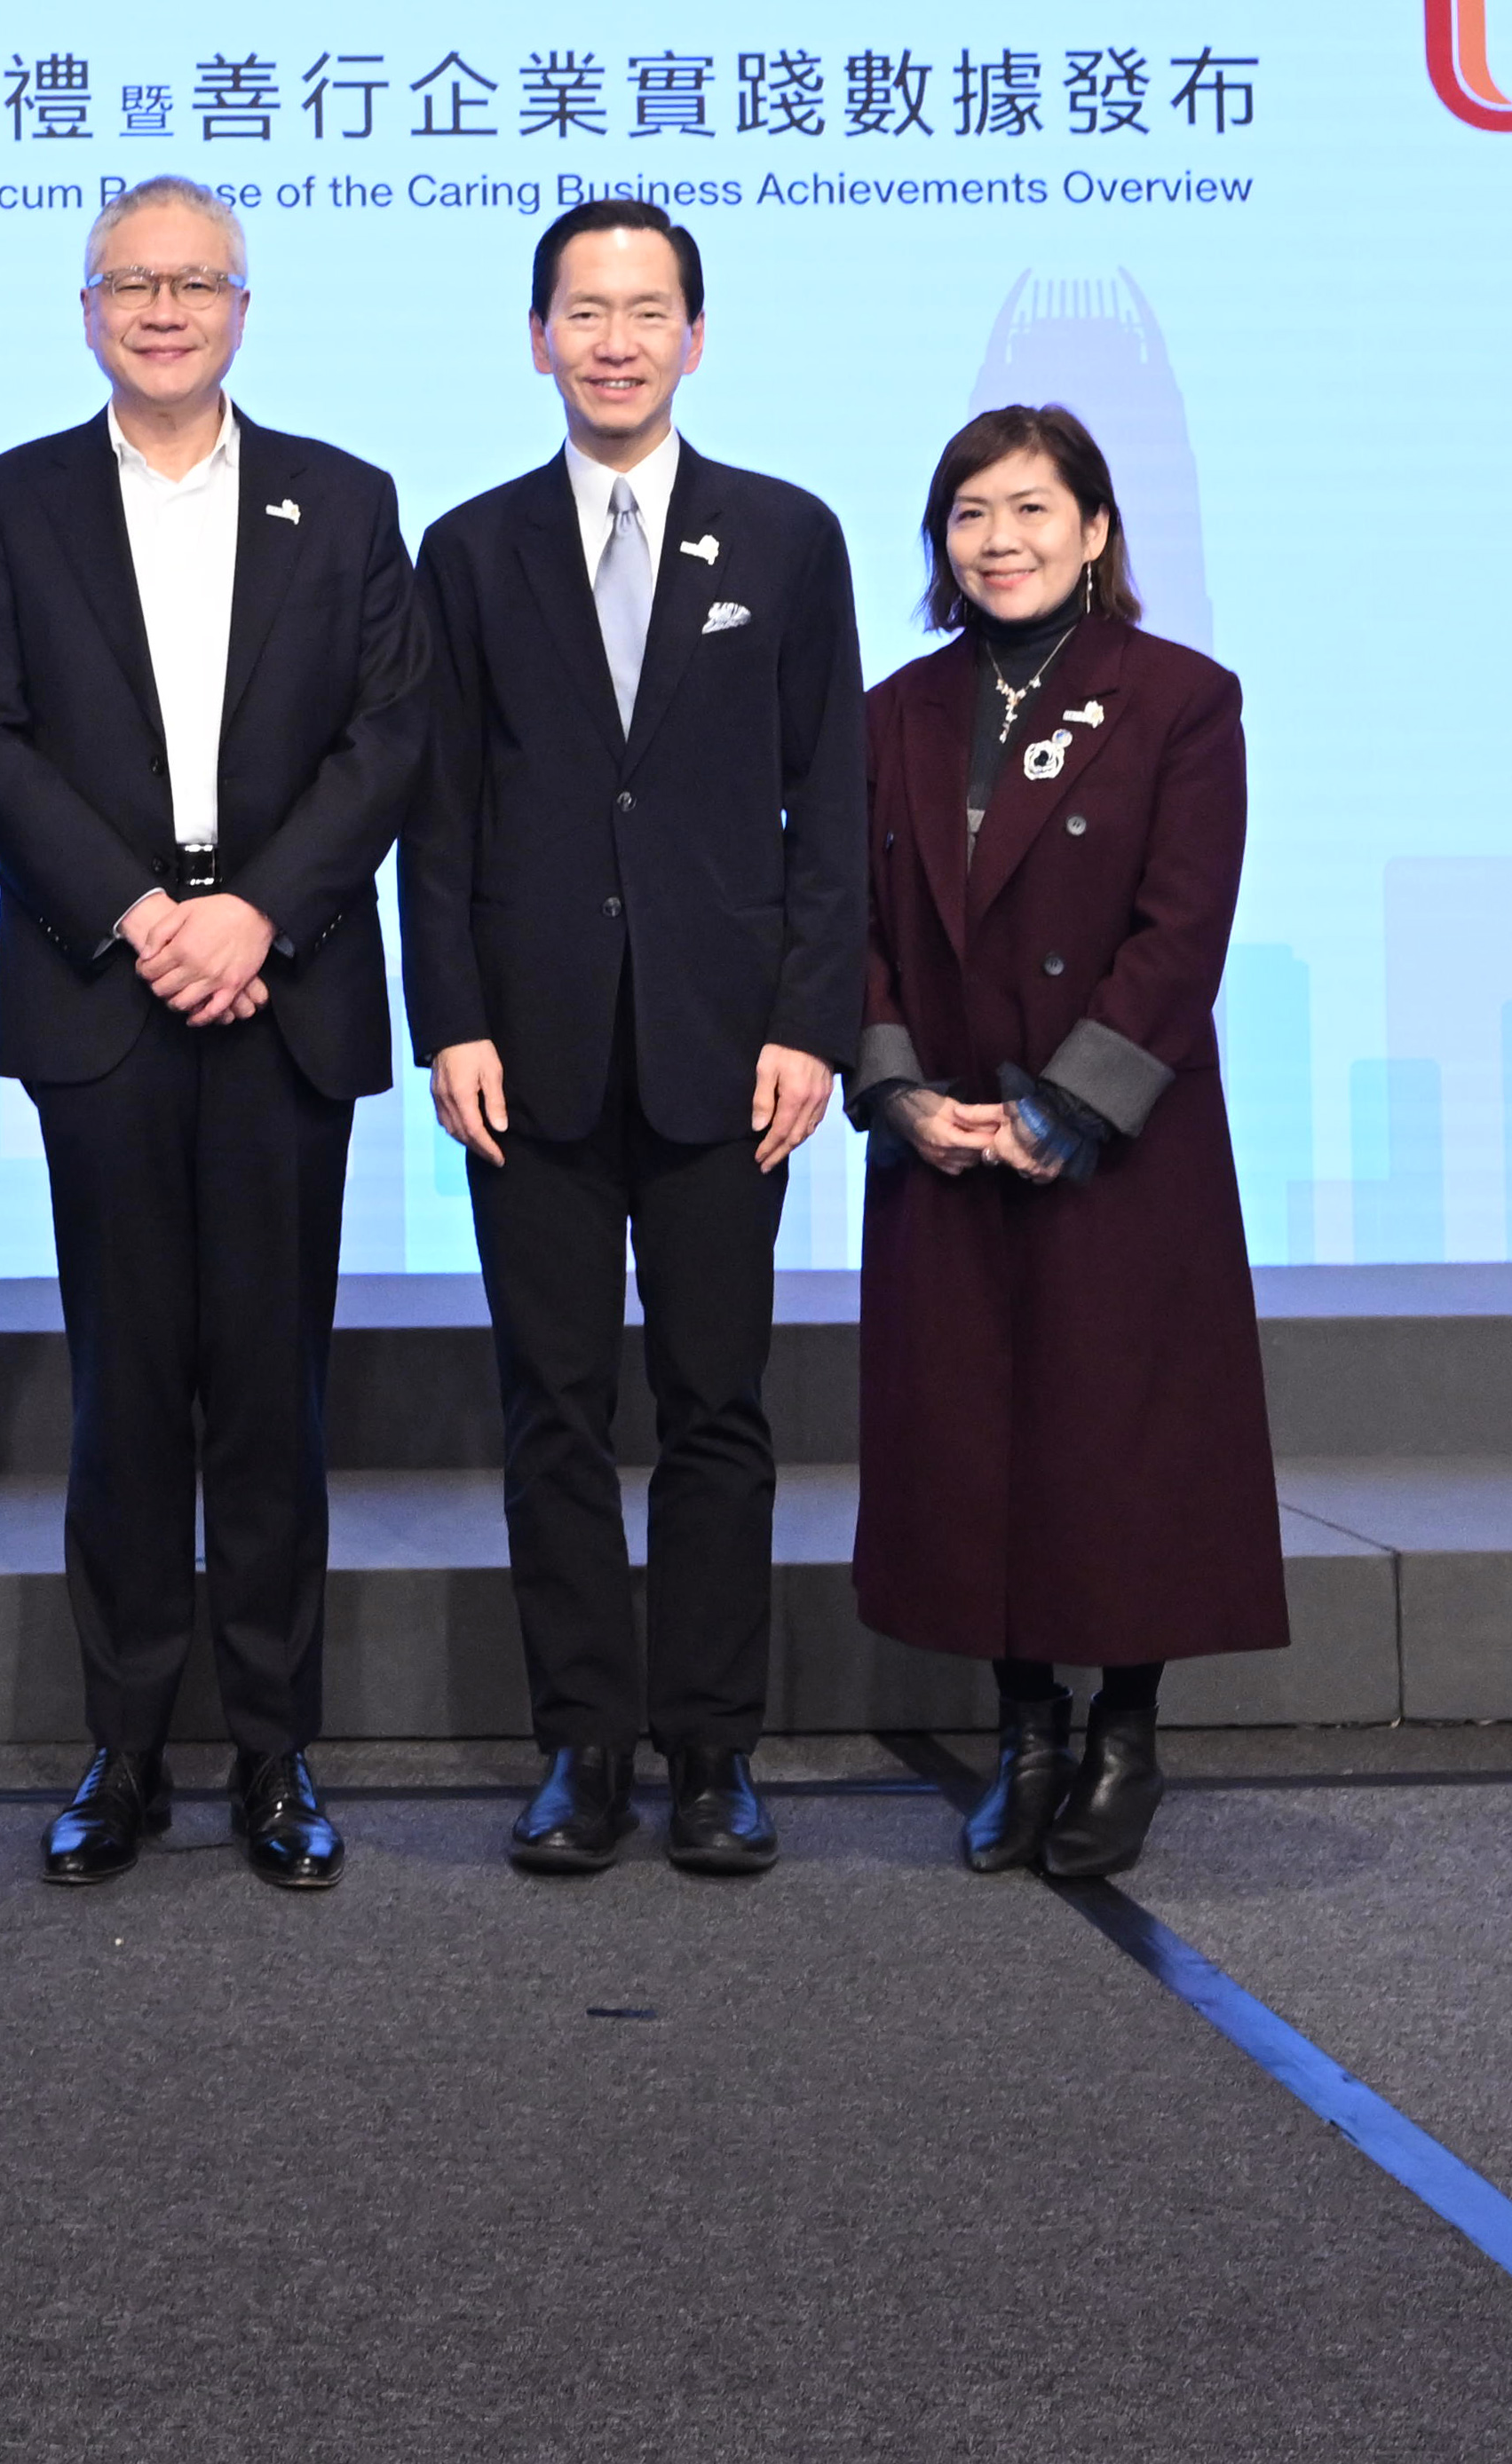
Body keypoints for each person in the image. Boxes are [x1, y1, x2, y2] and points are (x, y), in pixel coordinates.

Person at [0, 177, 431, 1891]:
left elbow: (387, 740)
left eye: (195, 283)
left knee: (272, 1393)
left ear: (243, 306)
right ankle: (127, 1744)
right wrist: (146, 916)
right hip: (107, 991)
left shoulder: (344, 499)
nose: (162, 310)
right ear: (86, 310)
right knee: (127, 1390)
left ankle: (278, 1752)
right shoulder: (11, 501)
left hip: (279, 984)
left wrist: (255, 915)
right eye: (128, 284)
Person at [402, 202, 862, 1882]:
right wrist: (444, 1016)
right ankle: (579, 1747)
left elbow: (835, 810)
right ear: (535, 338)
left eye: (644, 309)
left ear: (693, 336)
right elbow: (434, 819)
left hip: (722, 1049)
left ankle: (715, 1751)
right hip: (523, 1058)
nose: (612, 338)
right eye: (581, 310)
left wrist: (811, 1023)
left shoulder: (788, 539)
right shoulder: (466, 550)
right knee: (551, 1409)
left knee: (718, 1407)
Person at [843, 403, 1281, 1882]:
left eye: (1031, 509)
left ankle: (1123, 1738)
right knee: (973, 1449)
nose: (999, 540)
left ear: (1094, 531)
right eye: (969, 513)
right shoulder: (891, 709)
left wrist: (1063, 1107)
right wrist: (903, 1095)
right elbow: (848, 931)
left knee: (1120, 1444)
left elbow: (1180, 931)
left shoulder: (1177, 699)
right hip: (947, 1136)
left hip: (1115, 1139)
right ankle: (1023, 1734)